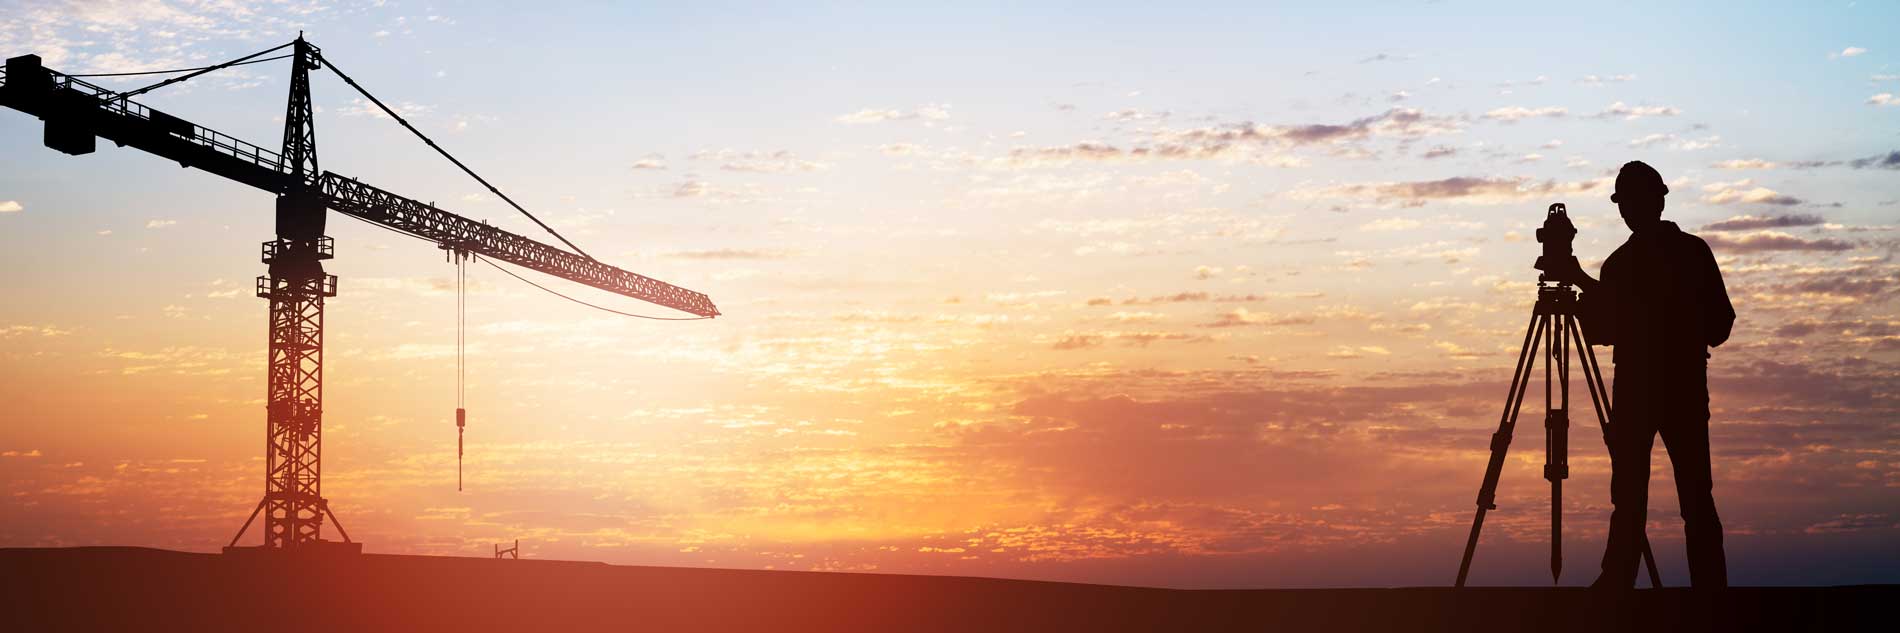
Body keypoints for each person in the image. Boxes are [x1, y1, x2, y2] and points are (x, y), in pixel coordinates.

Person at [1546, 161, 1735, 589]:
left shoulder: (1628, 264)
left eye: (1629, 202)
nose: (1626, 211)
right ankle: (1703, 591)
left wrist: (1591, 293)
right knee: (1675, 497)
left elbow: (1609, 330)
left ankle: (1621, 586)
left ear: (1654, 201)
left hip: (1651, 391)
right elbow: (1717, 325)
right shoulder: (1684, 255)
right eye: (1623, 203)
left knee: (1645, 497)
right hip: (1667, 390)